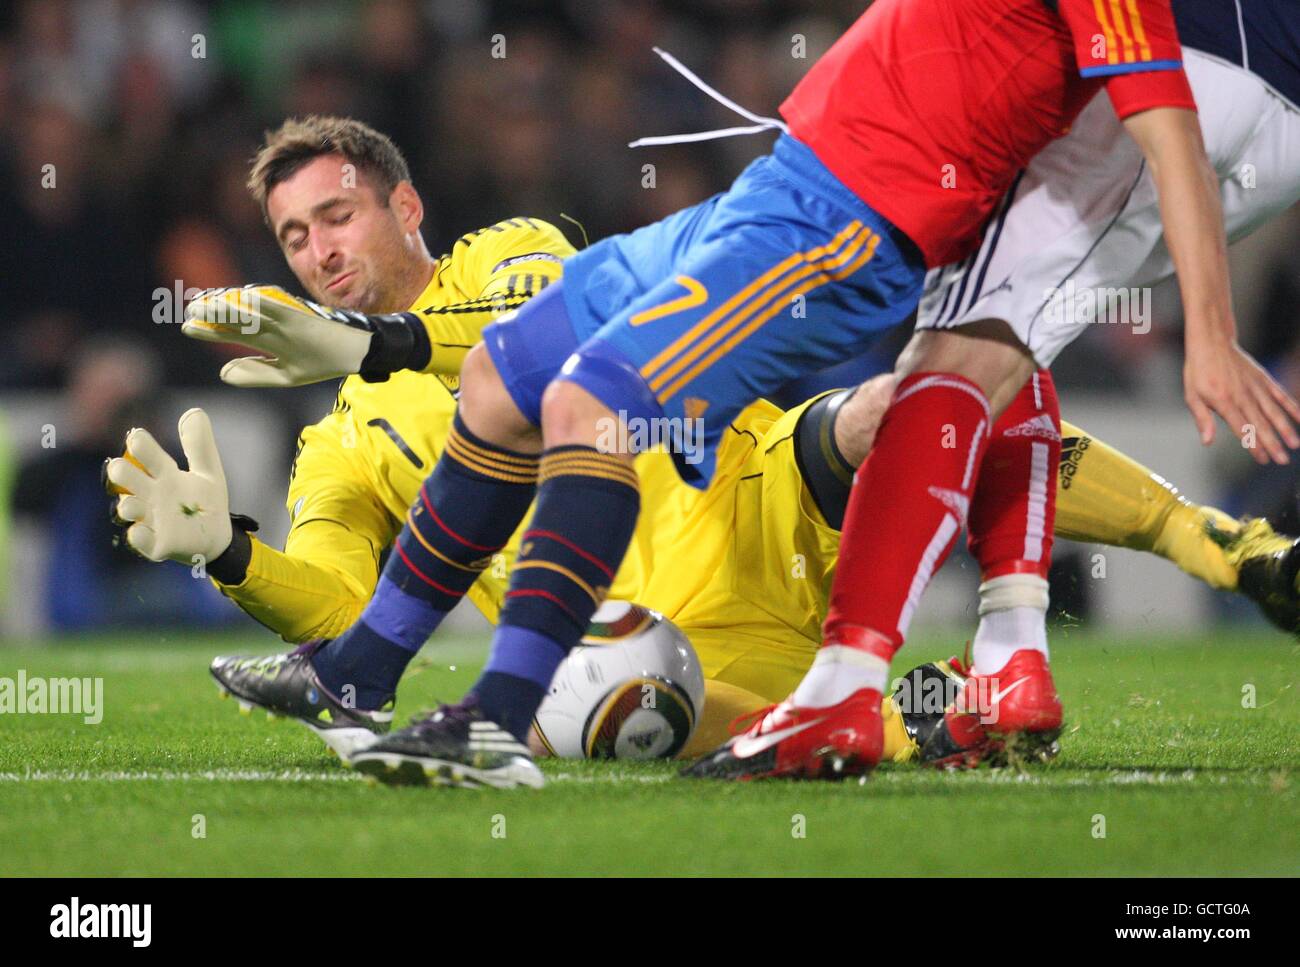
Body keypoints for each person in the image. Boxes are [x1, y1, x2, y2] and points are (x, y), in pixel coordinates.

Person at [169, 1, 1299, 788]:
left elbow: (1164, 123)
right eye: (295, 234)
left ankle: (493, 723)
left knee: (588, 406)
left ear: (402, 206)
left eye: (335, 218)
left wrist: (1210, 329)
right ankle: (359, 669)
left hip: (845, 230)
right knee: (504, 373)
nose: (316, 246)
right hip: (778, 184)